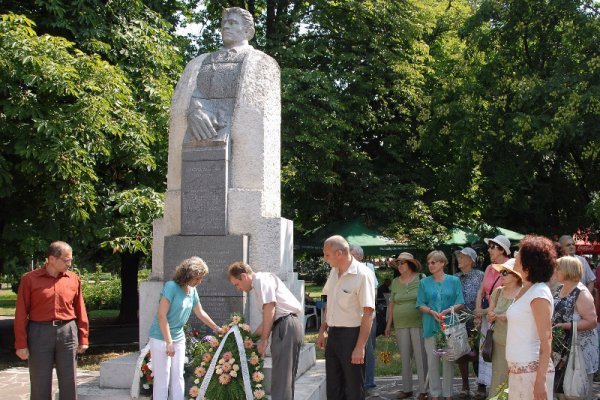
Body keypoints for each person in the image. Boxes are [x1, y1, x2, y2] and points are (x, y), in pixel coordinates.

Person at [14, 241, 88, 400]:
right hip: (39, 332)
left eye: (70, 260)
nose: (70, 264)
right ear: (52, 259)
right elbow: (20, 313)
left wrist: (84, 337)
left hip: (68, 332)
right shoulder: (29, 279)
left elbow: (80, 309)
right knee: (40, 382)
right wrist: (21, 344)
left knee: (69, 381)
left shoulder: (73, 279)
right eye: (66, 260)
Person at [148, 257, 222, 400]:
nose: (199, 282)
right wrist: (169, 342)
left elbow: (200, 313)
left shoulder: (192, 291)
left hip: (179, 337)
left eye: (201, 278)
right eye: (197, 278)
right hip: (160, 337)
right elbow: (161, 316)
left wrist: (216, 328)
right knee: (163, 378)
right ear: (187, 275)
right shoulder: (171, 287)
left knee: (178, 376)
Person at [228, 261, 303, 400]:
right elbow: (267, 319)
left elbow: (270, 309)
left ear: (244, 276)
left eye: (236, 284)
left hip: (285, 326)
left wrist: (264, 339)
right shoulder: (261, 282)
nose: (238, 289)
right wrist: (250, 338)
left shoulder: (261, 281)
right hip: (285, 325)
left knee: (281, 379)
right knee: (283, 378)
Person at [316, 235, 375, 400]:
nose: (324, 258)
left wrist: (360, 347)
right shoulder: (334, 272)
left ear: (339, 253)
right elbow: (330, 302)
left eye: (327, 254)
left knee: (354, 388)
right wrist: (323, 330)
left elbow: (368, 313)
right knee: (334, 387)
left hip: (353, 335)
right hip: (334, 335)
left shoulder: (363, 275)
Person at [506, 235, 555, 400]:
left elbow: (546, 339)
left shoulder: (539, 293)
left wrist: (540, 381)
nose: (515, 255)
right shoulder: (526, 289)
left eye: (519, 252)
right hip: (519, 369)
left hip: (532, 372)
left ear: (529, 261)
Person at [417, 250, 465, 400]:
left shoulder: (454, 280)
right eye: (429, 262)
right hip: (431, 326)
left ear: (443, 263)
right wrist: (431, 312)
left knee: (448, 361)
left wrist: (447, 310)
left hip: (449, 327)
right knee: (432, 363)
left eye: (434, 262)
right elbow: (419, 304)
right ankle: (435, 395)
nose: (430, 265)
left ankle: (448, 394)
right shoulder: (423, 282)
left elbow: (460, 302)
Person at [551, 256, 598, 399]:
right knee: (561, 389)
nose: (555, 271)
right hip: (562, 349)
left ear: (568, 271)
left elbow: (592, 321)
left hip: (579, 351)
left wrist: (566, 325)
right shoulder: (559, 288)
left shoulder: (581, 293)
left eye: (558, 268)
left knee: (577, 391)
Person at [385, 253, 428, 400]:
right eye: (398, 263)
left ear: (410, 264)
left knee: (420, 356)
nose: (400, 266)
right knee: (404, 357)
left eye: (403, 263)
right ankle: (407, 389)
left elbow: (428, 299)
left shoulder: (422, 278)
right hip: (400, 323)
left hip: (418, 322)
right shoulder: (395, 282)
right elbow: (392, 303)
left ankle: (424, 390)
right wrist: (388, 324)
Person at [474, 235, 511, 399]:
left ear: (502, 249)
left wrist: (487, 311)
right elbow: (482, 290)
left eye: (492, 247)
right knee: (487, 351)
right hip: (488, 315)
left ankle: (502, 391)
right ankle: (492, 388)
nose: (489, 250)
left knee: (499, 355)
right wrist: (477, 309)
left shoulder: (509, 267)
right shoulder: (489, 268)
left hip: (501, 316)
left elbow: (507, 295)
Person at [486, 258, 522, 397]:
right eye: (501, 272)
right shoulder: (498, 291)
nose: (501, 275)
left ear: (516, 275)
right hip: (499, 342)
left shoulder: (523, 293)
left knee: (516, 378)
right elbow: (490, 312)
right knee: (498, 376)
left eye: (505, 272)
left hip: (517, 344)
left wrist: (509, 317)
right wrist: (491, 315)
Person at [455, 247, 484, 398]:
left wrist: (479, 315)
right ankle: (465, 385)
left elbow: (485, 295)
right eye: (459, 257)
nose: (459, 259)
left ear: (471, 260)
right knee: (462, 354)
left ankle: (481, 385)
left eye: (463, 257)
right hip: (459, 321)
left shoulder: (480, 275)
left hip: (476, 319)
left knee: (478, 353)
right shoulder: (455, 277)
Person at [349, 244, 378, 391]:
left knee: (368, 349)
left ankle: (368, 383)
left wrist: (367, 313)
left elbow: (374, 293)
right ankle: (356, 383)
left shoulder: (368, 268)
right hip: (350, 317)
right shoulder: (343, 270)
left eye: (352, 254)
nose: (349, 257)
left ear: (360, 256)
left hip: (366, 315)